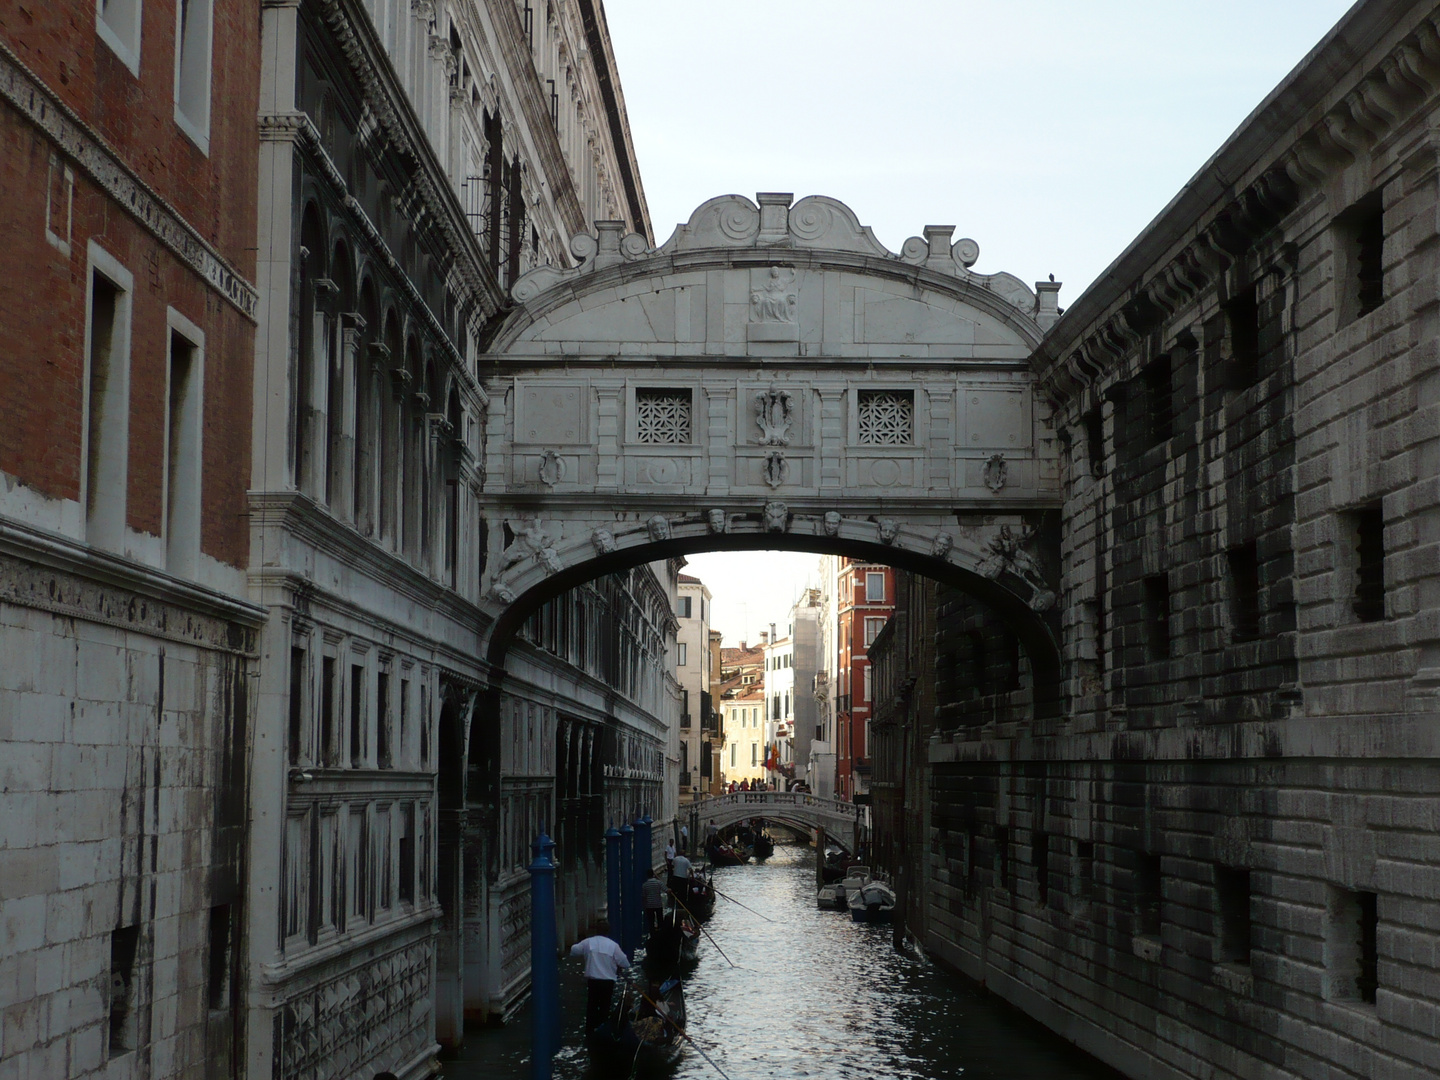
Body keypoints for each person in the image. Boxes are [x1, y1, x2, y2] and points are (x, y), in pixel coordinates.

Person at [569, 933, 631, 1036]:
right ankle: (603, 1031)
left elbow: (574, 951)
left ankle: (589, 1032)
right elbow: (624, 962)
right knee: (605, 1007)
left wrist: (586, 952)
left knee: (591, 1007)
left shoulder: (588, 942)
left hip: (593, 982)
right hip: (607, 983)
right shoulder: (613, 945)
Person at [641, 867, 666, 932]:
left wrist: (644, 905)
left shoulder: (644, 885)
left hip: (649, 905)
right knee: (660, 919)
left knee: (651, 921)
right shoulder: (658, 882)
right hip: (658, 904)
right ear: (653, 874)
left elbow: (644, 896)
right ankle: (660, 931)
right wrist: (670, 890)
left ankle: (652, 933)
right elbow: (666, 890)